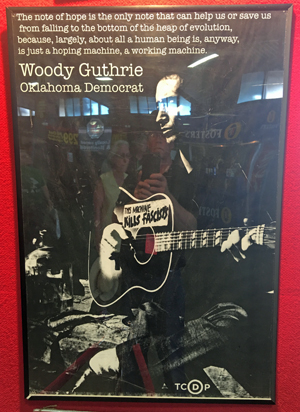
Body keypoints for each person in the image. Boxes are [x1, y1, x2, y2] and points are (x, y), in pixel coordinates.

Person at [84, 75, 259, 397]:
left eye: (169, 104)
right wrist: (134, 209)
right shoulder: (158, 172)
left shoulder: (226, 167)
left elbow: (207, 229)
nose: (158, 116)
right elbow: (118, 226)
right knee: (126, 384)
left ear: (199, 109)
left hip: (213, 301)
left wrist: (168, 205)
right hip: (162, 298)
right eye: (157, 107)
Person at [93, 140, 130, 249]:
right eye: (121, 156)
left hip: (127, 239)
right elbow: (97, 213)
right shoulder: (103, 180)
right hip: (109, 238)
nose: (125, 160)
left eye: (127, 156)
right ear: (113, 158)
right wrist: (98, 238)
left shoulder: (131, 180)